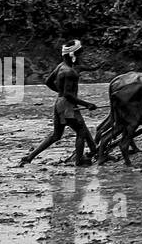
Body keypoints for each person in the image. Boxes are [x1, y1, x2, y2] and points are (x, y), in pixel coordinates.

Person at [20, 39, 98, 167]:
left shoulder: (61, 66)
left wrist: (60, 92)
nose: (82, 57)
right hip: (67, 105)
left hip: (59, 103)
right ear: (73, 56)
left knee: (56, 135)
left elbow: (48, 82)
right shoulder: (70, 73)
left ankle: (29, 157)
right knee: (81, 132)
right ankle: (79, 161)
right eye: (80, 54)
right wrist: (87, 104)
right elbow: (68, 95)